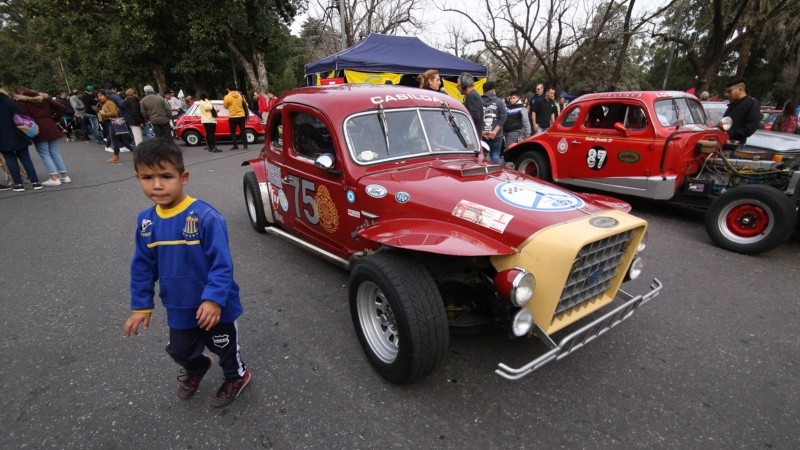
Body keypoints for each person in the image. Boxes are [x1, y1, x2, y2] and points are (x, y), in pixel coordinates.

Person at [124, 138, 250, 408]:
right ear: (137, 179)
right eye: (147, 177)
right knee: (179, 350)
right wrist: (141, 306)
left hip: (216, 307)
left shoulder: (205, 217)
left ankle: (237, 376)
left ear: (184, 177)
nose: (157, 185)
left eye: (166, 176)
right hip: (178, 305)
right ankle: (197, 367)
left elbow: (222, 263)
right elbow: (143, 266)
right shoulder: (146, 222)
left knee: (225, 348)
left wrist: (214, 299)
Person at [13, 87, 71, 186]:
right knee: (55, 152)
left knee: (44, 153)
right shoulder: (43, 98)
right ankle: (65, 176)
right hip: (50, 125)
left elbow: (22, 116)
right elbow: (61, 107)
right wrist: (55, 119)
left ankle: (54, 177)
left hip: (36, 128)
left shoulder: (22, 101)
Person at [0, 87, 42, 191]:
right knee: (25, 158)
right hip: (17, 132)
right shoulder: (7, 100)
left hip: (2, 136)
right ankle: (35, 182)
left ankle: (18, 184)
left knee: (10, 160)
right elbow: (20, 112)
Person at [722, 77, 760, 146]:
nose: (728, 94)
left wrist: (732, 134)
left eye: (730, 91)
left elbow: (751, 126)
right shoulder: (733, 104)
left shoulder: (751, 103)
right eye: (727, 92)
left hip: (737, 144)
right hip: (724, 142)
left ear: (740, 90)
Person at [480, 81, 507, 164]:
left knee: (481, 156)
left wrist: (481, 132)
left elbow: (475, 118)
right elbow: (503, 117)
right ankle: (495, 174)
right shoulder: (499, 101)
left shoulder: (479, 101)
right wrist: (495, 132)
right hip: (497, 135)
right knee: (495, 154)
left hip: (482, 135)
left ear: (484, 91)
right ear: (493, 90)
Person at [97, 90, 122, 163]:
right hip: (111, 123)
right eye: (98, 96)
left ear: (105, 95)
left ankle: (116, 156)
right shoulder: (104, 103)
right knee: (122, 140)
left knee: (115, 140)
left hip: (114, 122)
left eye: (101, 96)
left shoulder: (109, 103)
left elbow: (114, 113)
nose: (99, 97)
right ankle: (134, 153)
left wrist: (103, 114)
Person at [223, 83, 247, 150]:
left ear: (228, 89)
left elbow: (225, 106)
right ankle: (245, 145)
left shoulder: (227, 97)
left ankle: (235, 146)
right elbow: (243, 103)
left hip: (233, 116)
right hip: (241, 115)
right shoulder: (239, 95)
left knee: (233, 132)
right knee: (243, 131)